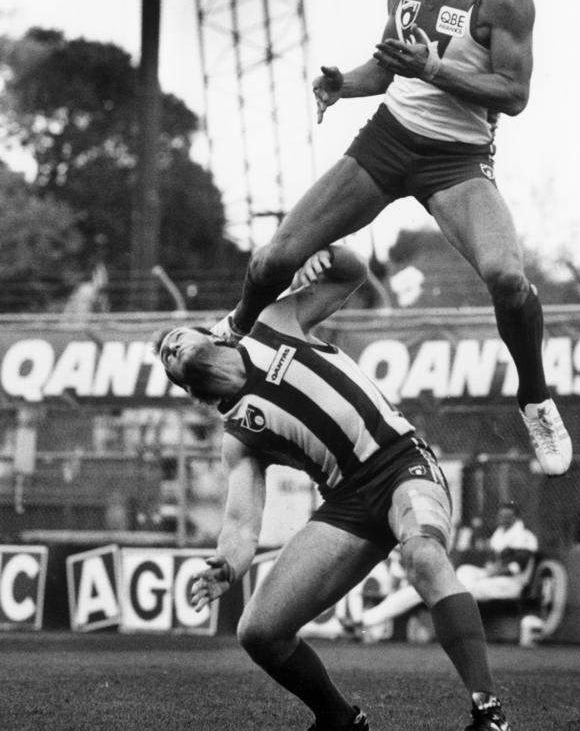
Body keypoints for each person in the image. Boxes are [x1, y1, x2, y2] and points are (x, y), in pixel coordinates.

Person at [212, 0, 571, 478]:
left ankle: (535, 398)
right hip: (387, 141)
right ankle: (232, 336)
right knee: (274, 260)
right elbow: (387, 70)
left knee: (509, 280)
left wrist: (432, 69)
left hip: (456, 159)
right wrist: (343, 85)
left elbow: (513, 94)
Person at [157, 244, 513, 731]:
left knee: (423, 555)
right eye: (166, 358)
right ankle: (339, 720)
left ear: (209, 334)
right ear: (184, 385)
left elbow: (353, 274)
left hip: (402, 463)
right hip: (346, 504)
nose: (170, 349)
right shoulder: (238, 435)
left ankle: (488, 713)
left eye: (175, 339)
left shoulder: (272, 323)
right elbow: (241, 524)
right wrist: (229, 565)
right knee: (259, 632)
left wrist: (325, 254)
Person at [456, 501, 539, 601]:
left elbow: (518, 566)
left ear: (515, 518)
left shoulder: (524, 536)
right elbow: (492, 556)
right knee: (464, 571)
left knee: (474, 588)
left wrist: (496, 571)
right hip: (493, 575)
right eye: (501, 516)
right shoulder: (499, 533)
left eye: (507, 516)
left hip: (512, 581)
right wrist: (490, 566)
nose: (503, 519)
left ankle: (464, 606)